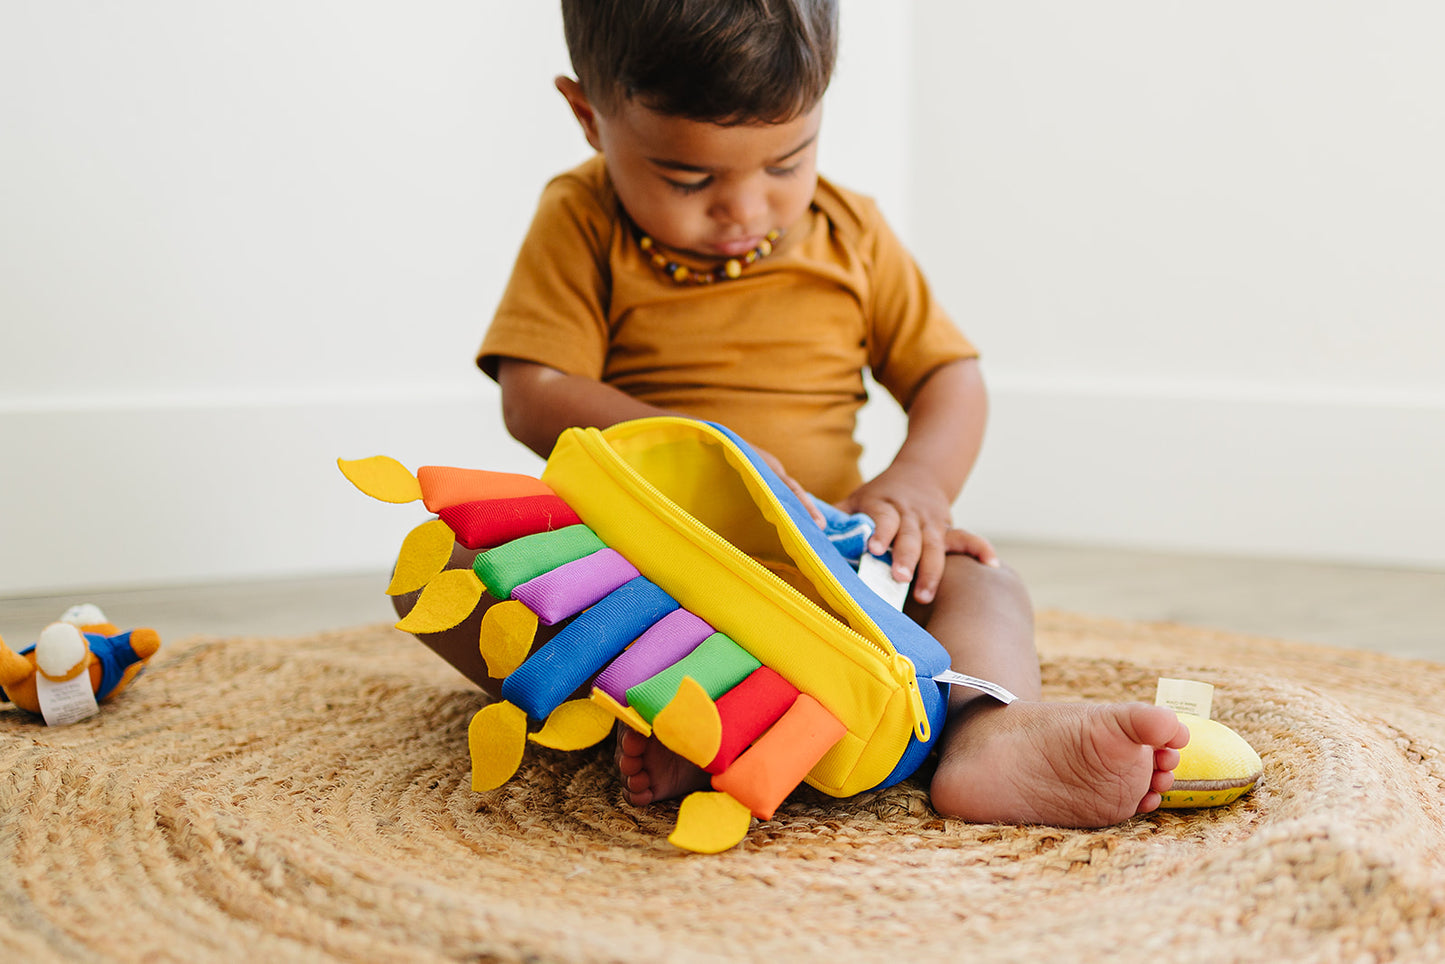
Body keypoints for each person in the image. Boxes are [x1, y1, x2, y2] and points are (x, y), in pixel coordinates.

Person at [400, 0, 1189, 829]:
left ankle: (989, 733)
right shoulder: (581, 219)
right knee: (451, 576)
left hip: (833, 559)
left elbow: (947, 376)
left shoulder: (852, 234)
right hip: (655, 568)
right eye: (689, 179)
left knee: (980, 581)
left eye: (786, 162)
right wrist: (710, 454)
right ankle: (678, 712)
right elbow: (534, 390)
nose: (743, 208)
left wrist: (917, 484)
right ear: (588, 117)